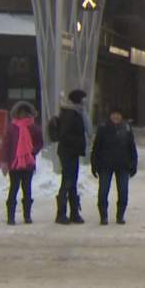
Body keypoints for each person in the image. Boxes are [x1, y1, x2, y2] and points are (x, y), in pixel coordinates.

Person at [91, 108, 138, 225]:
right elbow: (96, 148)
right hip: (105, 165)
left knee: (123, 192)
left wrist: (133, 164)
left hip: (123, 165)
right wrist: (94, 164)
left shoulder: (126, 128)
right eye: (114, 114)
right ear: (110, 116)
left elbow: (132, 147)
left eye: (118, 115)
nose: (116, 117)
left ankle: (120, 215)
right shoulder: (103, 128)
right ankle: (103, 216)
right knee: (103, 192)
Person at [2, 101, 43, 225]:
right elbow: (6, 146)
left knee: (27, 189)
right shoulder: (11, 128)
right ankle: (11, 217)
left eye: (26, 113)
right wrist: (5, 162)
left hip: (28, 164)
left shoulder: (34, 128)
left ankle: (27, 215)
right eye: (22, 113)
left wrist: (32, 152)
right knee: (13, 189)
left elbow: (39, 143)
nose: (24, 115)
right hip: (15, 164)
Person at [55, 89, 90, 225]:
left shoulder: (74, 113)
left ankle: (73, 212)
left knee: (71, 182)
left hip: (70, 152)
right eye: (83, 100)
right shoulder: (71, 114)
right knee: (68, 181)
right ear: (78, 101)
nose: (85, 103)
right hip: (68, 152)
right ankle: (62, 213)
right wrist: (78, 142)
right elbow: (65, 135)